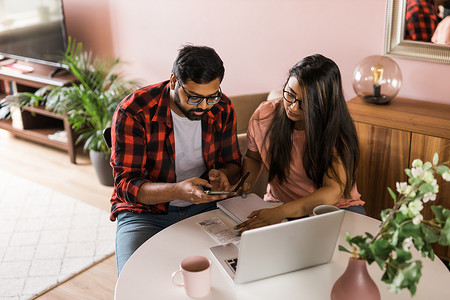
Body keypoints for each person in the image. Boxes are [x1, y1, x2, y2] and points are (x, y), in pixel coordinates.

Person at [110, 45, 242, 274]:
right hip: (144, 213)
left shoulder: (222, 107)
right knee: (136, 277)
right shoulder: (135, 111)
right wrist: (178, 191)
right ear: (173, 81)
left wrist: (222, 176)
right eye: (193, 97)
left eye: (211, 97)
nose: (203, 106)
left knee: (237, 268)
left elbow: (233, 164)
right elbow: (125, 185)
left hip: (205, 206)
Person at [235, 54, 365, 234]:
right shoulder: (264, 115)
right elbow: (253, 157)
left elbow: (333, 190)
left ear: (324, 103)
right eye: (289, 94)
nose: (293, 107)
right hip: (279, 203)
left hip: (332, 208)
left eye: (306, 103)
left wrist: (281, 213)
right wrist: (246, 184)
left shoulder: (335, 131)